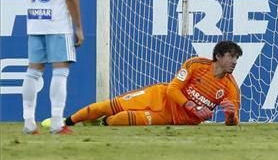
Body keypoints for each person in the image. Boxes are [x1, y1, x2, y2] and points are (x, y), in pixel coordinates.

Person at [57, 41, 242, 127]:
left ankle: (101, 123)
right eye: (231, 56)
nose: (234, 62)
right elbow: (172, 89)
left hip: (172, 119)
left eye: (236, 58)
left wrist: (231, 116)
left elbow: (233, 123)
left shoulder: (231, 87)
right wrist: (191, 105)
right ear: (218, 56)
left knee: (119, 120)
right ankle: (66, 122)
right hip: (158, 97)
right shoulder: (196, 64)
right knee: (107, 106)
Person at [21, 0, 83, 135]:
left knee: (33, 71)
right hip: (56, 21)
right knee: (60, 70)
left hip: (35, 19)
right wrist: (78, 26)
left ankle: (28, 121)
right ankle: (57, 122)